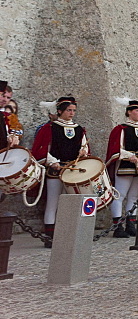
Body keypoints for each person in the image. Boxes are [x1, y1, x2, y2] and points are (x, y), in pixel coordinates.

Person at [31, 97, 89, 245]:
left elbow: (84, 147)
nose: (72, 113)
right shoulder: (50, 128)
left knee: (71, 202)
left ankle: (68, 234)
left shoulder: (79, 129)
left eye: (74, 110)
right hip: (56, 170)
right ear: (59, 111)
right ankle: (49, 236)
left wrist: (84, 152)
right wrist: (53, 162)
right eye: (69, 110)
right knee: (53, 202)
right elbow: (43, 149)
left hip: (72, 170)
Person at [106, 99, 138, 238]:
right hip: (125, 165)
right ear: (129, 112)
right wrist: (129, 155)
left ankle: (131, 224)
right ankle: (118, 226)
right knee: (120, 195)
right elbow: (116, 148)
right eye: (137, 111)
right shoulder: (121, 129)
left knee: (133, 196)